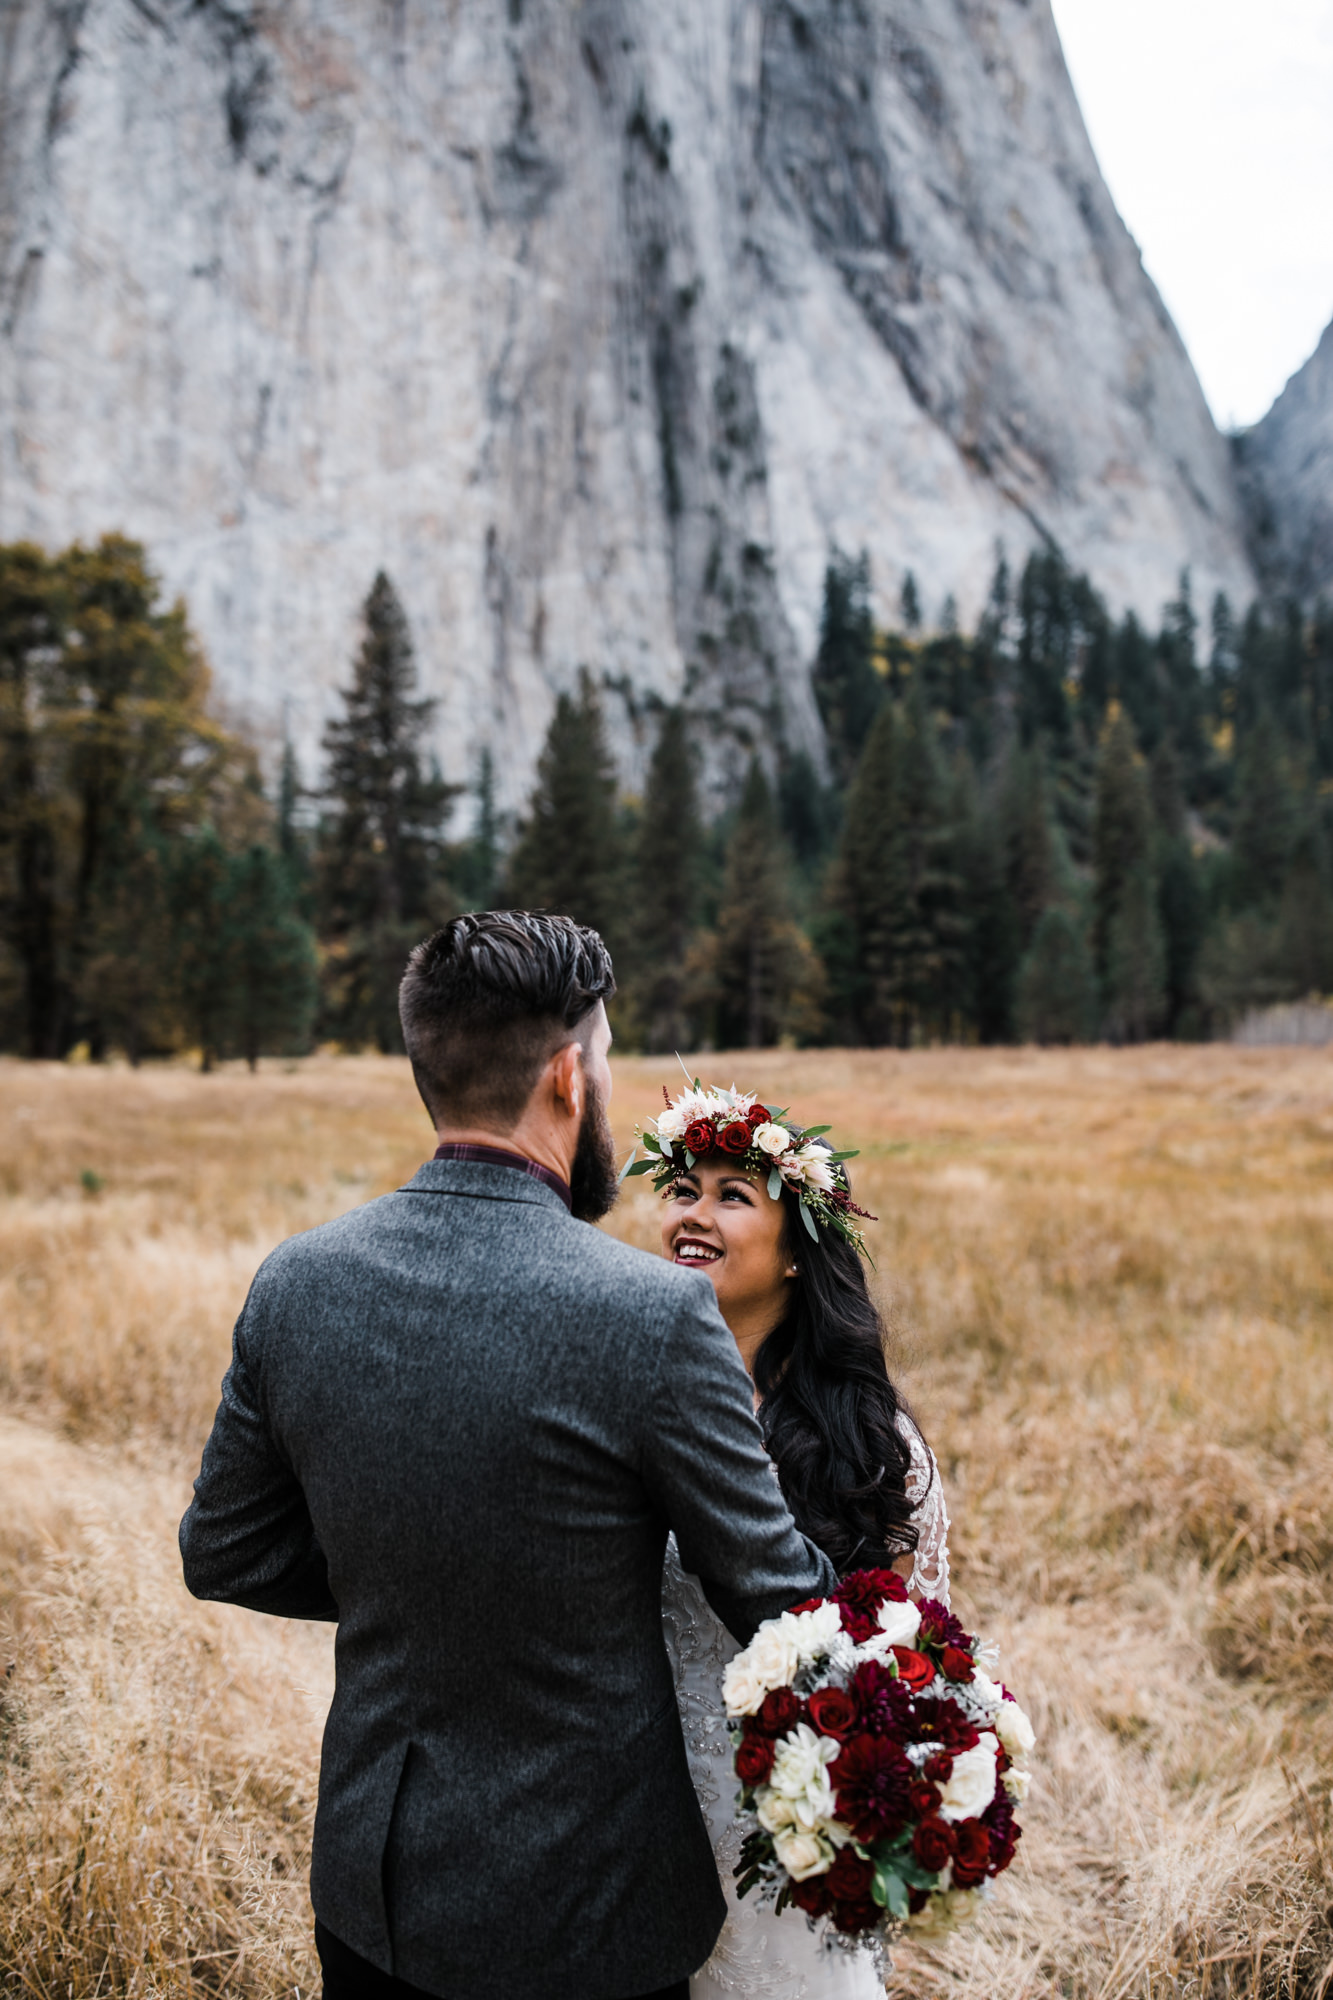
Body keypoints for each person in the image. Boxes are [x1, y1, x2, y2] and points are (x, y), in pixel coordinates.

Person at [179, 913, 837, 2000]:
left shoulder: (294, 1281)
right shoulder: (657, 1315)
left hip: (371, 1899)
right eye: (613, 1061)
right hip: (589, 1919)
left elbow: (226, 1552)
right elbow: (782, 1599)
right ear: (570, 1079)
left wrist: (401, 1578)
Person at [637, 1085, 951, 2000]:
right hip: (633, 1818)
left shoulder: (869, 1444)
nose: (694, 1214)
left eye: (734, 1194)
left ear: (793, 1260)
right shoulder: (625, 1401)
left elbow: (911, 1657)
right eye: (682, 1187)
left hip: (783, 1823)